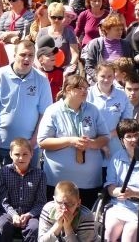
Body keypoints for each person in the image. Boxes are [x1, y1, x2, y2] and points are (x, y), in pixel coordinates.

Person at [37, 75, 110, 209]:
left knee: (84, 220)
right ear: (69, 89)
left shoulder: (93, 110)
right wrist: (70, 141)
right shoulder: (53, 111)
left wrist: (91, 143)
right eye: (80, 88)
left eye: (86, 88)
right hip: (58, 182)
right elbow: (42, 141)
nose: (85, 91)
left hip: (89, 182)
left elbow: (105, 137)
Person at [0, 40, 52, 164]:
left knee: (29, 183)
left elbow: (45, 114)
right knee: (2, 182)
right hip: (3, 145)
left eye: (31, 55)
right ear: (14, 55)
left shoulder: (41, 80)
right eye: (23, 55)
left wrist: (33, 141)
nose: (26, 58)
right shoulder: (0, 75)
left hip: (29, 146)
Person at [0, 137, 46, 242]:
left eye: (25, 154)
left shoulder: (40, 174)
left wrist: (29, 215)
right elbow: (3, 201)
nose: (21, 158)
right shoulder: (4, 172)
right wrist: (14, 215)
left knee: (34, 228)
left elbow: (41, 202)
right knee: (3, 225)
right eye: (17, 154)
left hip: (30, 215)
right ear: (11, 154)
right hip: (7, 213)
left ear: (31, 154)